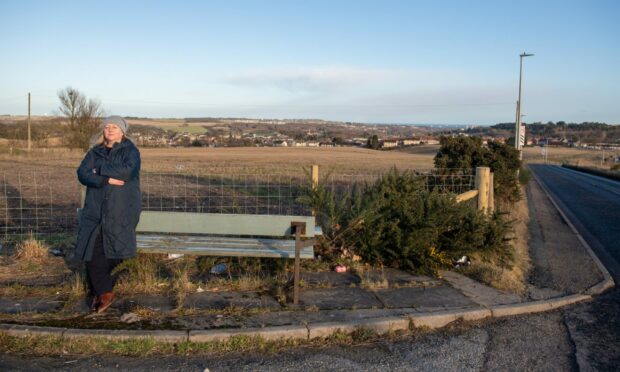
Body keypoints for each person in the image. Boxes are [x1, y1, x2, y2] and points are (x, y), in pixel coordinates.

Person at [75, 116, 141, 313]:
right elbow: (82, 173)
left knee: (113, 251)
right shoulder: (95, 151)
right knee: (92, 251)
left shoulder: (130, 151)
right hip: (95, 209)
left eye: (114, 127)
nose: (110, 130)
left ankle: (101, 290)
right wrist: (105, 180)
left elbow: (127, 171)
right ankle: (105, 293)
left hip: (121, 209)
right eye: (107, 127)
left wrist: (99, 170)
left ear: (122, 131)